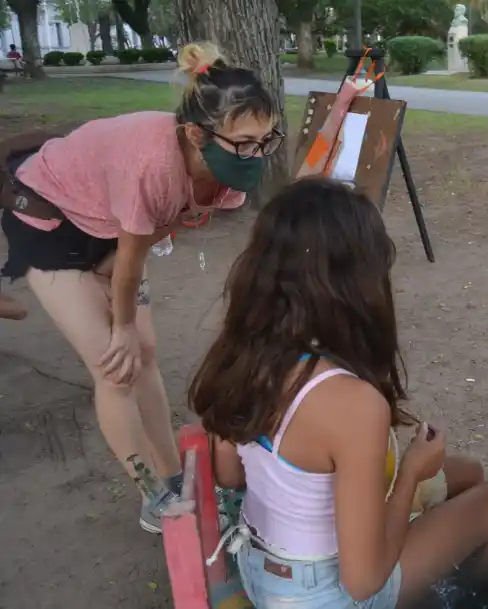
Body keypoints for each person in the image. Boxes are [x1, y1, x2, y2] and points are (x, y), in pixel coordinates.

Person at [190, 178, 488, 609]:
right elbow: (362, 581)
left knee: (468, 472)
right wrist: (410, 476)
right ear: (354, 284)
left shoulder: (243, 354)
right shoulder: (352, 404)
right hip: (324, 596)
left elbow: (232, 475)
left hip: (262, 570)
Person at [0, 41, 284, 533]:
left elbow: (160, 225)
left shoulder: (226, 171)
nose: (255, 154)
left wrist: (125, 295)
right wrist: (121, 323)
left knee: (144, 350)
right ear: (196, 134)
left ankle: (174, 475)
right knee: (114, 367)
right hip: (49, 219)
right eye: (243, 143)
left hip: (109, 221)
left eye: (265, 140)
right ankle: (154, 496)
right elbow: (135, 247)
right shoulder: (150, 164)